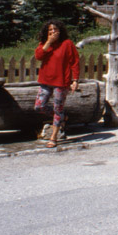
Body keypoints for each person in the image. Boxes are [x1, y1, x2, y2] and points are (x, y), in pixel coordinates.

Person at [34, 20, 80, 148]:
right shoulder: (44, 44)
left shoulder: (67, 44)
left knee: (58, 108)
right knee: (39, 106)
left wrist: (75, 80)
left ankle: (53, 137)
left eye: (55, 30)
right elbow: (38, 56)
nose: (53, 32)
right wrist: (48, 42)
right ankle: (62, 117)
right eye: (50, 30)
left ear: (60, 31)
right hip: (45, 80)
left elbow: (74, 62)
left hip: (61, 81)